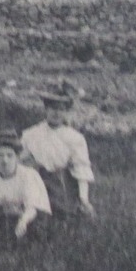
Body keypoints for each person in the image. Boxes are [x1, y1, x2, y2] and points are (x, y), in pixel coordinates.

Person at [21, 86, 96, 217]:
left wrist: (84, 199)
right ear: (46, 109)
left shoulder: (75, 138)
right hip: (36, 180)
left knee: (65, 213)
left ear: (67, 111)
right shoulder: (31, 134)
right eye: (52, 108)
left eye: (61, 109)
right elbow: (21, 162)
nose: (56, 113)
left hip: (62, 184)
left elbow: (81, 168)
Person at [0, 129, 51, 239]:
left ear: (17, 157)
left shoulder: (28, 175)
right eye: (0, 155)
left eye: (9, 155)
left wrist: (23, 221)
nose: (5, 160)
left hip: (29, 219)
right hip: (2, 221)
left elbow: (32, 207)